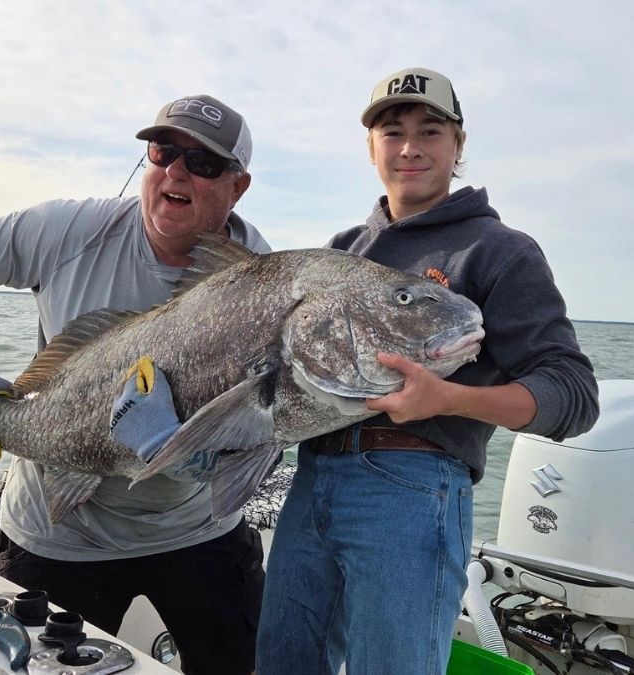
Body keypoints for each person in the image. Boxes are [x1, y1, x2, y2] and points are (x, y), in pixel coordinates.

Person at [254, 67, 600, 675]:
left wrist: (445, 400)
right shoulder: (344, 249)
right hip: (309, 480)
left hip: (413, 489)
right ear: (371, 147)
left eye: (430, 130)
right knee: (283, 662)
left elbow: (572, 393)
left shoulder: (501, 251)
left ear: (458, 145)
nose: (410, 147)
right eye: (392, 131)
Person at [0, 95, 269, 675]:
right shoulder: (72, 230)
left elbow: (257, 426)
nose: (176, 171)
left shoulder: (260, 277)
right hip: (56, 534)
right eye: (163, 151)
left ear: (239, 186)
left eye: (204, 163)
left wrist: (182, 453)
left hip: (196, 529)